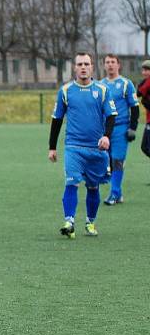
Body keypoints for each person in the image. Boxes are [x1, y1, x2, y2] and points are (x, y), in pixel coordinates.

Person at [48, 52, 117, 239]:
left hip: (96, 149)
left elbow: (111, 116)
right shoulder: (65, 90)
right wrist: (52, 147)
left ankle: (90, 222)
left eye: (87, 63)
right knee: (71, 182)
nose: (83, 67)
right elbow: (57, 120)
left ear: (92, 67)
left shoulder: (102, 90)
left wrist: (107, 136)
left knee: (93, 187)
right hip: (73, 147)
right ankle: (69, 221)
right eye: (80, 64)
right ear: (74, 67)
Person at [100, 54, 139, 205]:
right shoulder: (100, 84)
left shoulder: (126, 83)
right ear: (104, 65)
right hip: (105, 130)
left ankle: (114, 194)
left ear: (118, 65)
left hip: (121, 128)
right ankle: (119, 192)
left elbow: (134, 107)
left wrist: (133, 128)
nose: (110, 65)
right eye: (107, 62)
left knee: (117, 160)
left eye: (113, 62)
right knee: (107, 162)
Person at [134, 60, 150, 160]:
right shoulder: (145, 81)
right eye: (143, 70)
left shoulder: (148, 82)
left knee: (146, 147)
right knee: (145, 147)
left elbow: (139, 92)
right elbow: (139, 93)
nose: (144, 72)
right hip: (148, 120)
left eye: (147, 70)